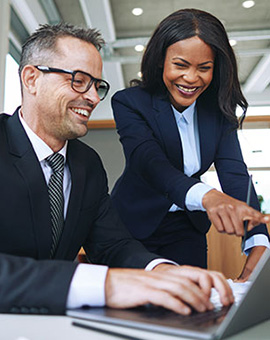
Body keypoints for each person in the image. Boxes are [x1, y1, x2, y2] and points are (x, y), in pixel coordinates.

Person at [0, 22, 233, 315]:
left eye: (97, 85)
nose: (95, 98)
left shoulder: (87, 164)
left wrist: (161, 270)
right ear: (32, 79)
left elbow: (113, 244)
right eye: (78, 80)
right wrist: (107, 284)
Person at [111, 8, 270, 279]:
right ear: (161, 61)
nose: (192, 78)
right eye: (181, 65)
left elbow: (234, 174)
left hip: (188, 228)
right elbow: (151, 163)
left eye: (204, 68)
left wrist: (258, 240)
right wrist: (209, 197)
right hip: (132, 227)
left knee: (192, 308)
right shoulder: (129, 102)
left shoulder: (218, 111)